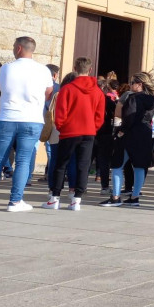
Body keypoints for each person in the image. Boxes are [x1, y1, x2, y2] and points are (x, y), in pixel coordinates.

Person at [0, 37, 54, 212]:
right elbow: (49, 92)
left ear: (19, 48)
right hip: (31, 118)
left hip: (6, 116)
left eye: (14, 46)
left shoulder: (6, 68)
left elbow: (3, 87)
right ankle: (15, 201)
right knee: (23, 160)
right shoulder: (43, 70)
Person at [43, 57, 104, 211]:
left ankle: (54, 198)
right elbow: (99, 116)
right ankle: (77, 199)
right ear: (90, 70)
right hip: (88, 132)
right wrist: (93, 128)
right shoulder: (98, 91)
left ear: (75, 68)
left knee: (61, 164)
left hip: (70, 131)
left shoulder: (67, 89)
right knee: (83, 165)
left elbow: (60, 113)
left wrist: (62, 127)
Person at [100, 72, 154, 207]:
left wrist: (121, 131)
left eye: (132, 83)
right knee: (139, 166)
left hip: (130, 135)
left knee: (117, 165)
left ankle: (116, 196)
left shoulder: (132, 98)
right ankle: (135, 197)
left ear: (139, 84)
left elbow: (128, 117)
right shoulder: (153, 99)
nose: (129, 85)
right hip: (145, 133)